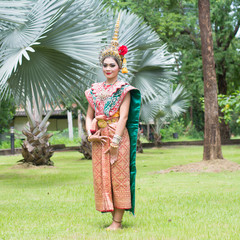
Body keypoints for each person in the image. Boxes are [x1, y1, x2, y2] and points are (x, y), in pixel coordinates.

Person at [85, 14, 141, 230]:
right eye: (105, 65)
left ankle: (117, 222)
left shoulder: (124, 89)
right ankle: (109, 213)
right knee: (103, 177)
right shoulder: (94, 89)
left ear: (120, 67)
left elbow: (124, 117)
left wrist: (116, 143)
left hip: (117, 136)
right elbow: (89, 114)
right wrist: (89, 133)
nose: (108, 69)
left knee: (118, 176)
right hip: (99, 138)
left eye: (112, 65)